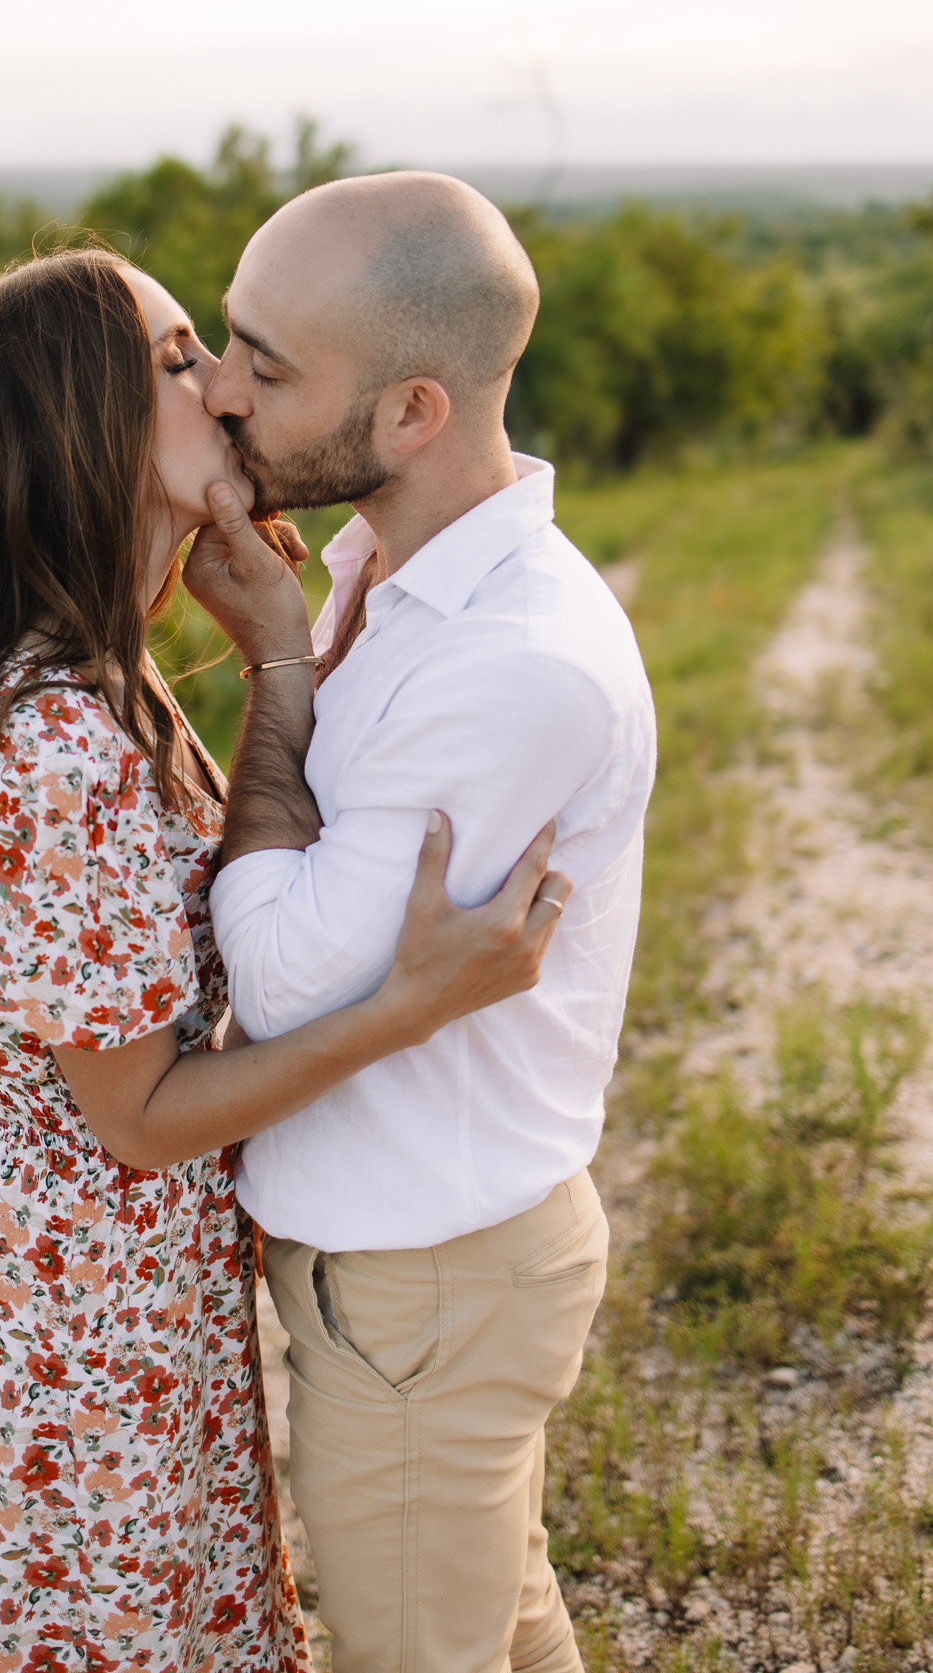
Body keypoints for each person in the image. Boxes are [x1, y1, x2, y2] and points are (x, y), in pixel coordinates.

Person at [0, 246, 573, 1673]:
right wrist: (409, 1005)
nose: (226, 390)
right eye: (180, 358)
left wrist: (277, 665)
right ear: (85, 428)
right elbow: (136, 1118)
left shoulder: (99, 674)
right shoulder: (51, 738)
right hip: (68, 1321)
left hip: (132, 1294)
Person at [183, 172, 657, 1673]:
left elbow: (280, 972)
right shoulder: (388, 574)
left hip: (423, 1283)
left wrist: (272, 668)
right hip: (426, 1262)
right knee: (500, 1634)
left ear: (408, 415)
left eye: (264, 364)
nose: (215, 389)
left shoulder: (509, 664)